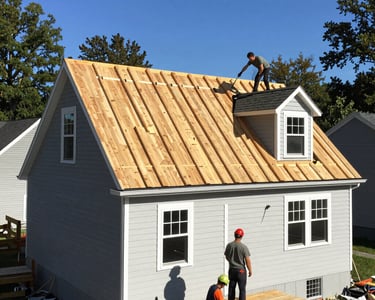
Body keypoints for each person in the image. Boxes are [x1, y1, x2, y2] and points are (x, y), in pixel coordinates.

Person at [224, 228, 252, 300]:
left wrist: (231, 261)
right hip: (241, 271)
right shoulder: (243, 247)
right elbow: (247, 260)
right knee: (242, 289)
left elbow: (226, 256)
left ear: (234, 235)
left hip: (232, 270)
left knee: (231, 288)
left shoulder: (229, 245)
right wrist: (250, 270)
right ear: (242, 236)